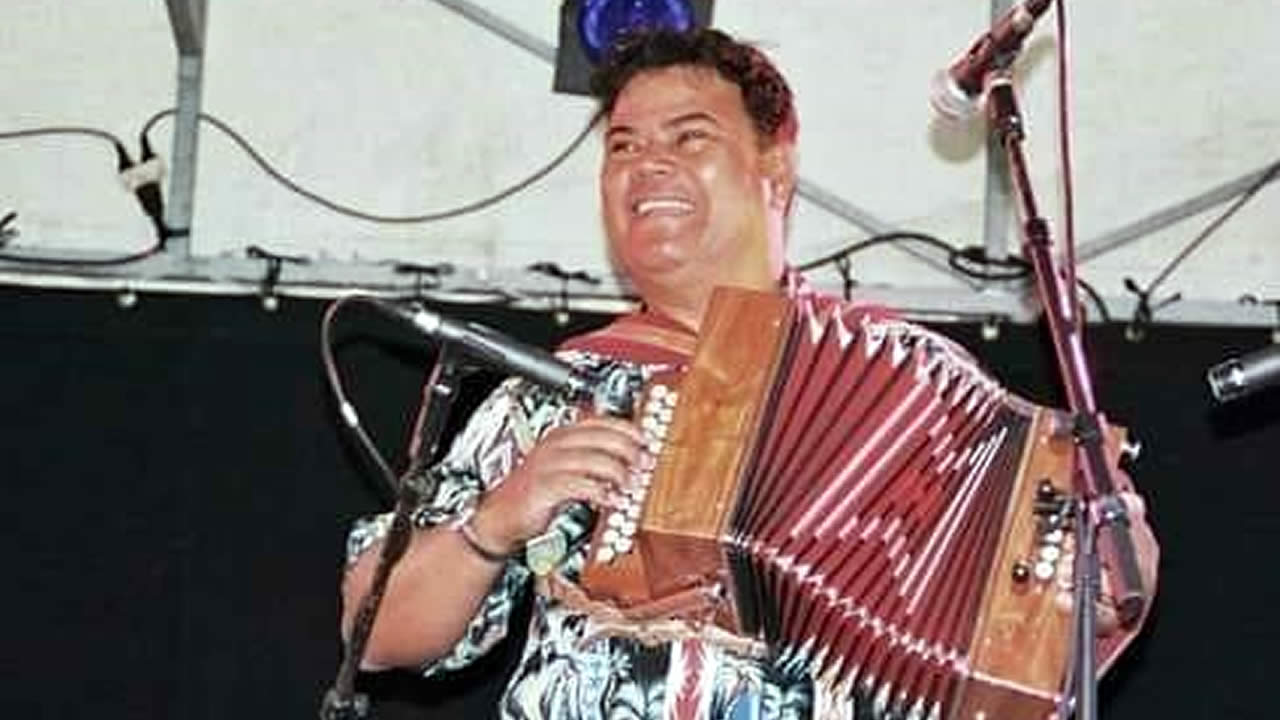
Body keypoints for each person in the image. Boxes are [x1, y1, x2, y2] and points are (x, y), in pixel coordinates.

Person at [341, 27, 1158, 720]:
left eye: (689, 137)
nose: (647, 165)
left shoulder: (914, 379)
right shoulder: (552, 394)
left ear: (776, 170)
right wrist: (494, 522)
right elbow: (371, 635)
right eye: (624, 146)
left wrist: (1102, 568)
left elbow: (1039, 631)